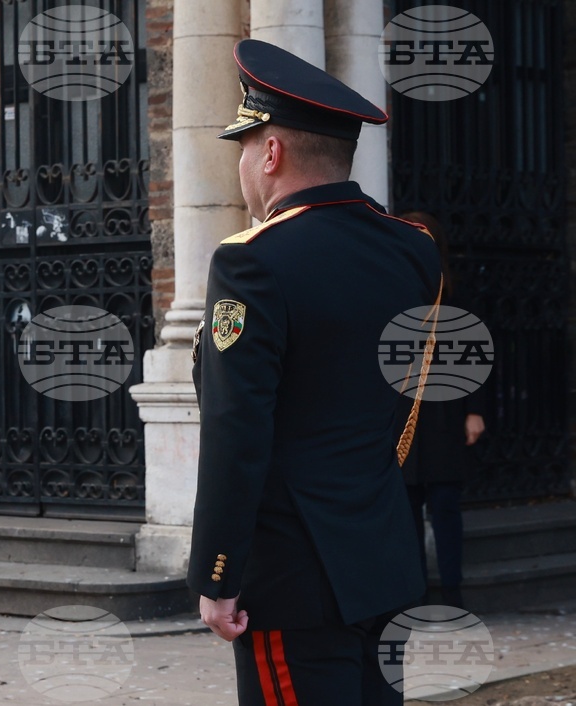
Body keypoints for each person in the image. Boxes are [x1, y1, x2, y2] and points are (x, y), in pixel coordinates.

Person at [188, 40, 443, 705]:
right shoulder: (413, 250)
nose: (242, 164)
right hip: (383, 557)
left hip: (293, 575)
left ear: (271, 153)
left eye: (245, 147)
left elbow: (237, 429)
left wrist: (217, 572)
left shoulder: (251, 261)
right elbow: (398, 405)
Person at [397, 211, 486, 611]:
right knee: (407, 509)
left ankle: (452, 592)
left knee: (446, 505)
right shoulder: (388, 291)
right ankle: (414, 594)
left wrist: (474, 411)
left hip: (446, 413)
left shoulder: (455, 297)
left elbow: (476, 359)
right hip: (403, 415)